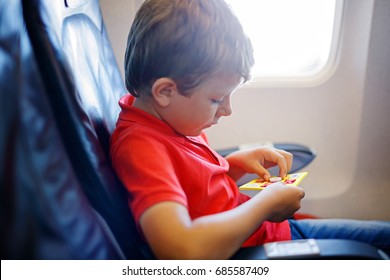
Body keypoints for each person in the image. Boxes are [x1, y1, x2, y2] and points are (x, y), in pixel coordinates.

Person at [110, 0, 390, 259]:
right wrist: (264, 206)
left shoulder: (167, 121)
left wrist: (233, 166)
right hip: (262, 249)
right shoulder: (142, 149)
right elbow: (181, 248)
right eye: (216, 99)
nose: (227, 110)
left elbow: (196, 191)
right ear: (165, 91)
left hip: (272, 232)